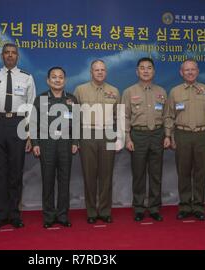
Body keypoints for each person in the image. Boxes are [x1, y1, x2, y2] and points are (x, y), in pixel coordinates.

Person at [0, 43, 36, 229]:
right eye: (7, 53)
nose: (10, 56)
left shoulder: (27, 77)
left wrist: (29, 135)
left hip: (18, 124)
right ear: (2, 55)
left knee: (15, 172)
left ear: (17, 56)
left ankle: (14, 214)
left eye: (13, 53)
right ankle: (0, 215)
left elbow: (31, 108)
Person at [164, 59, 205, 221]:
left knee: (200, 172)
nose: (190, 72)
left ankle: (198, 206)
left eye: (193, 69)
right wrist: (169, 136)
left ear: (197, 71)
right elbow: (168, 116)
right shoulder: (174, 92)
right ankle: (184, 206)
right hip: (182, 135)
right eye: (186, 70)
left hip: (203, 135)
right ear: (181, 73)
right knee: (183, 173)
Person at [74, 59, 122, 224]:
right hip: (87, 132)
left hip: (108, 132)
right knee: (89, 175)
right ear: (91, 72)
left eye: (103, 70)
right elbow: (74, 117)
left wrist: (119, 138)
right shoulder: (80, 90)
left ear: (106, 72)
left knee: (106, 175)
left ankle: (105, 211)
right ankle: (91, 211)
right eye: (96, 70)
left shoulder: (114, 91)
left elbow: (119, 117)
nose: (100, 72)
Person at [31, 67, 79, 228]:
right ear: (48, 80)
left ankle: (63, 215)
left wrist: (75, 142)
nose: (57, 80)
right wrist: (35, 143)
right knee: (48, 180)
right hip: (47, 144)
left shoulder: (72, 99)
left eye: (60, 77)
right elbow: (33, 123)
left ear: (65, 80)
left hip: (66, 144)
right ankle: (49, 216)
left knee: (64, 181)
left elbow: (77, 124)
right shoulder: (41, 99)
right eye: (54, 77)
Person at [122, 57, 168, 222]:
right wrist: (127, 138)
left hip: (157, 134)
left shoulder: (162, 92)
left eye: (149, 68)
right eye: (142, 68)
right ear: (137, 71)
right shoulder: (129, 92)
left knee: (156, 174)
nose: (146, 71)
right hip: (138, 135)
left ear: (154, 71)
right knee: (139, 174)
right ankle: (139, 208)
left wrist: (167, 135)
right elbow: (125, 117)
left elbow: (167, 116)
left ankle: (155, 208)